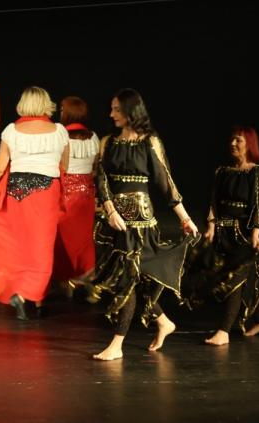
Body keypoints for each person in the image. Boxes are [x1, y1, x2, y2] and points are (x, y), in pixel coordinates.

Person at [87, 88, 199, 361]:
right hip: (115, 221)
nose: (111, 114)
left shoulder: (150, 142)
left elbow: (166, 183)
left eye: (116, 109)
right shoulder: (108, 142)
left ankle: (117, 344)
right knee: (130, 278)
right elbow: (100, 178)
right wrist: (110, 209)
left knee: (128, 278)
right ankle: (163, 321)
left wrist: (185, 218)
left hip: (141, 221)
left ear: (130, 111)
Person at [0, 86, 70, 319]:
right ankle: (32, 297)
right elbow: (64, 166)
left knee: (21, 246)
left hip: (18, 191)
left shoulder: (12, 130)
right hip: (46, 193)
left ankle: (27, 294)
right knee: (42, 248)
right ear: (46, 103)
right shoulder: (60, 132)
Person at [189, 127, 259, 345]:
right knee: (238, 278)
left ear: (249, 144)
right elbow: (213, 202)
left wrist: (256, 234)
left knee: (236, 278)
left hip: (245, 236)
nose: (233, 144)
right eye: (232, 140)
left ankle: (223, 331)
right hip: (223, 234)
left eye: (238, 140)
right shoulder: (222, 172)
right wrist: (211, 227)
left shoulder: (256, 173)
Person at [53, 96, 100, 288]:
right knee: (84, 237)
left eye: (62, 109)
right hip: (86, 193)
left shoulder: (60, 135)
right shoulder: (94, 137)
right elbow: (95, 168)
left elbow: (59, 166)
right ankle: (86, 276)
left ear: (69, 113)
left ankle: (66, 279)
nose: (60, 113)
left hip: (66, 192)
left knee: (63, 237)